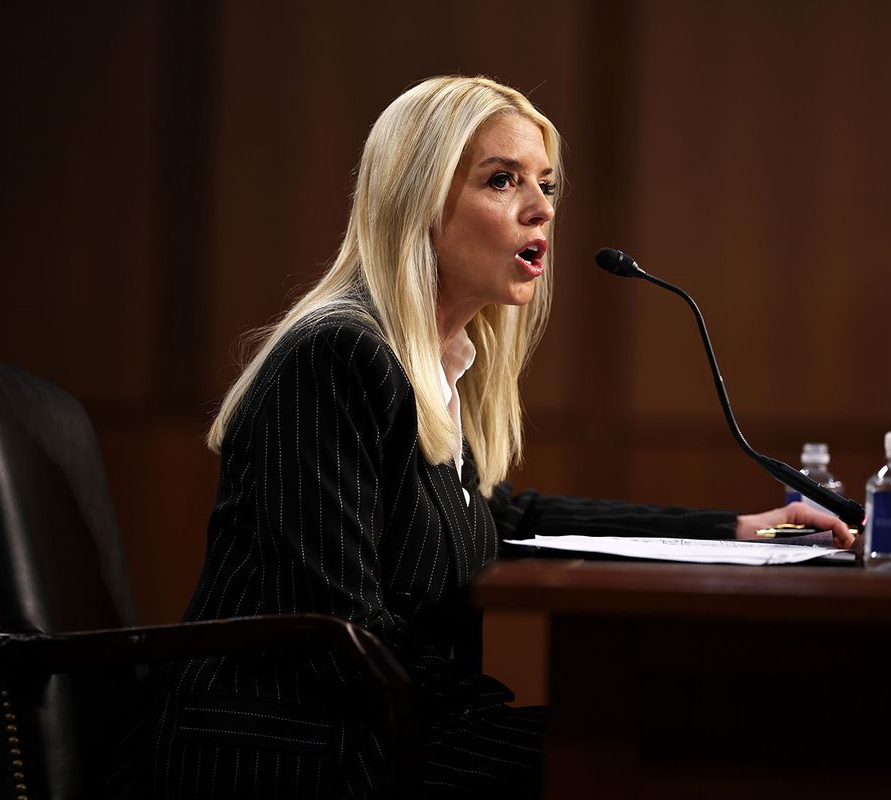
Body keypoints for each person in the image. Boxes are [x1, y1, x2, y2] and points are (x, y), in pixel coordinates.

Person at [140, 75, 855, 799]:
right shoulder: (336, 357)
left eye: (544, 184)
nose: (541, 209)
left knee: (670, 745)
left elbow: (508, 516)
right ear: (416, 200)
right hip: (291, 751)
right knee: (645, 760)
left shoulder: (435, 370)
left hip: (383, 727)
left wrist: (738, 531)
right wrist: (495, 715)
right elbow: (334, 621)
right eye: (502, 180)